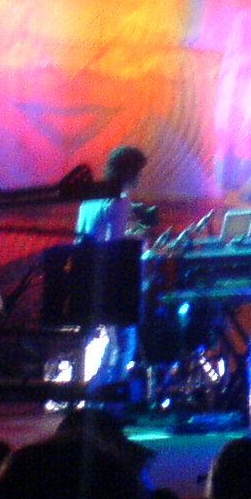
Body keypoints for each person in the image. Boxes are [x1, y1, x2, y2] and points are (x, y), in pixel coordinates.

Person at [73, 144, 149, 391]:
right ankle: (110, 398)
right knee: (125, 341)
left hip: (82, 278)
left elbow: (88, 236)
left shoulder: (90, 197)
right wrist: (139, 241)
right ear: (130, 172)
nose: (139, 177)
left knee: (101, 343)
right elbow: (114, 247)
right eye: (138, 172)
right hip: (107, 281)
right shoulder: (120, 200)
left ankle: (91, 393)